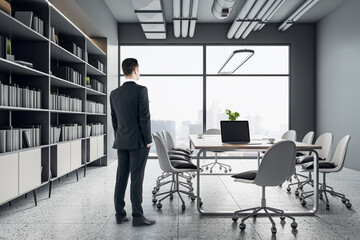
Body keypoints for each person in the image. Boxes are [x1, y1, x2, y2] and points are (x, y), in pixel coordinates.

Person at [110, 58, 155, 227]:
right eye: (139, 69)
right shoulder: (141, 90)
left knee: (121, 178)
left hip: (121, 141)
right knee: (136, 179)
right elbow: (144, 118)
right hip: (138, 142)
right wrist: (148, 140)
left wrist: (119, 136)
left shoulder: (114, 93)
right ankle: (137, 216)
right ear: (135, 70)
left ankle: (120, 214)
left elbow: (114, 119)